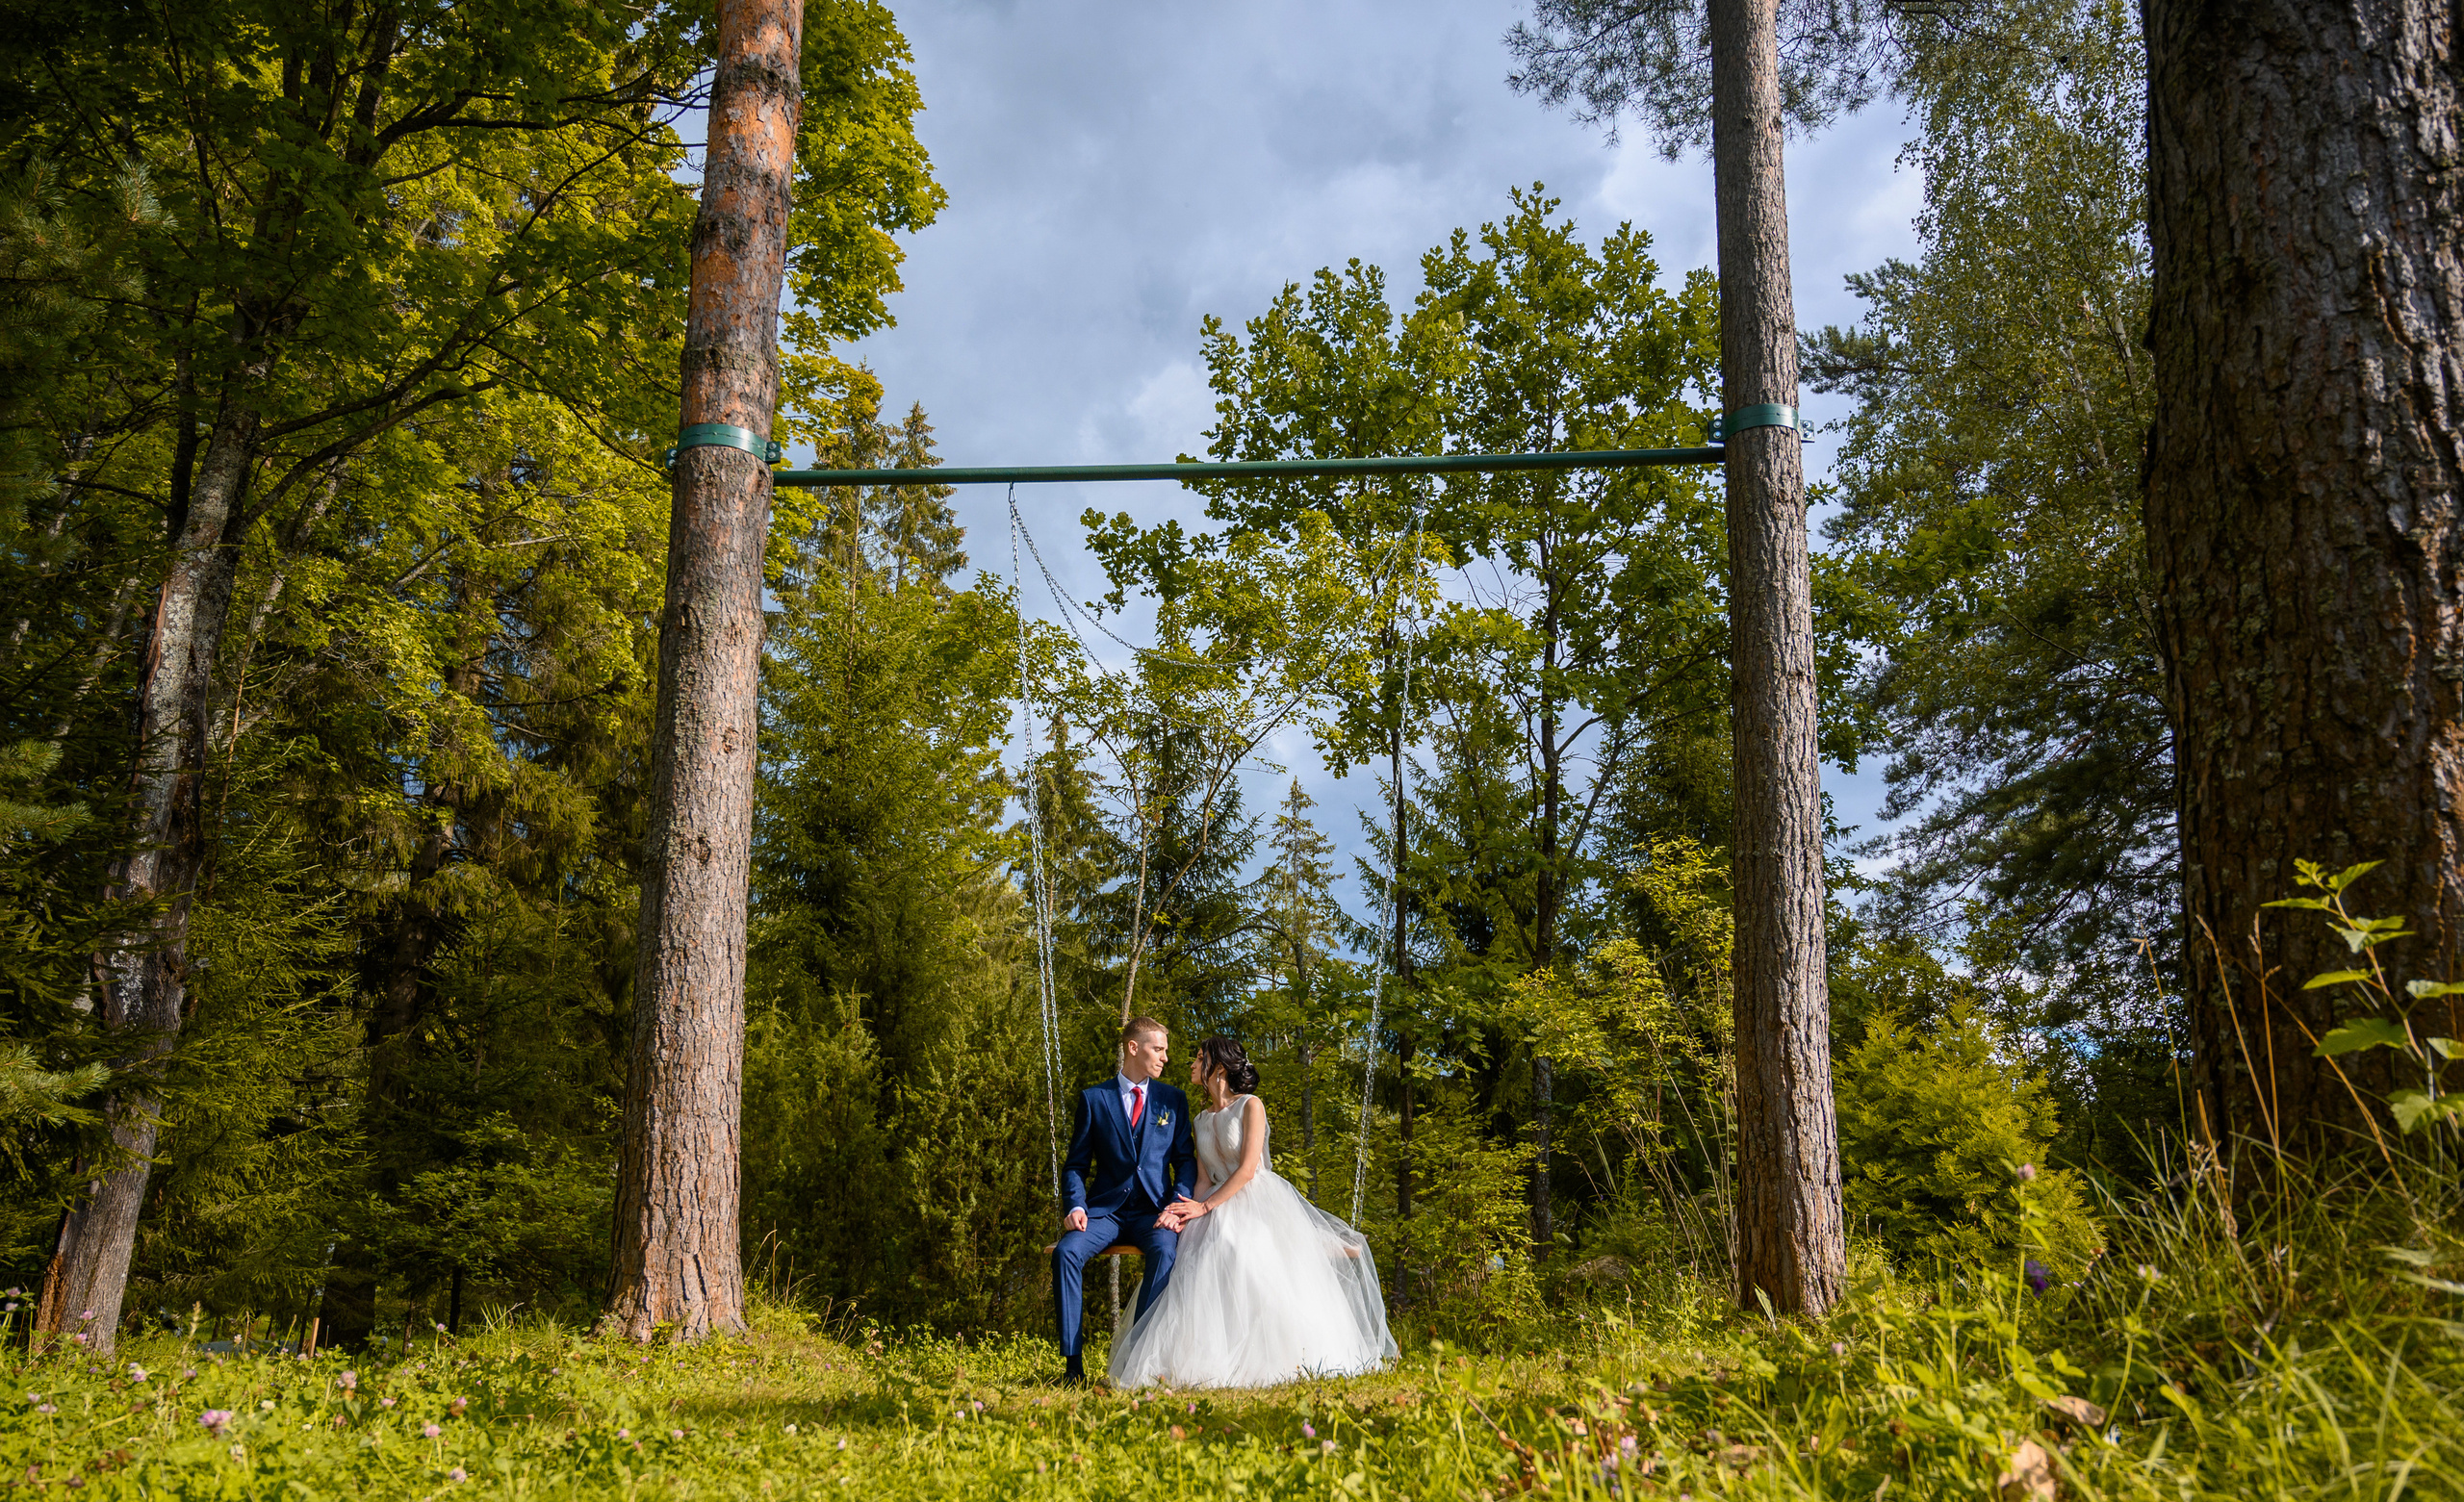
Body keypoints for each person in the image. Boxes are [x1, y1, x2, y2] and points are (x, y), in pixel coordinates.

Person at [1108, 1035, 1397, 1387]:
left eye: (1199, 1058)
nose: (1192, 1064)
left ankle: (1279, 1352)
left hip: (1254, 1197)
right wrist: (1188, 1213)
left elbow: (1247, 1169)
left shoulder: (1250, 1105)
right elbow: (1201, 1178)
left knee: (1240, 1251)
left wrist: (1206, 1205)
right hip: (1212, 1202)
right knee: (1193, 1263)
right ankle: (1198, 1358)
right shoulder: (1200, 1118)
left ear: (1217, 1066)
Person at [1052, 1016, 1197, 1384]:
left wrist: (1176, 1205)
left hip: (1154, 1212)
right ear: (1134, 1047)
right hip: (1106, 1213)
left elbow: (1184, 1161)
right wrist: (1075, 1205)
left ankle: (1134, 1355)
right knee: (1065, 1252)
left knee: (1165, 1253)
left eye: (1165, 1050)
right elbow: (1075, 1166)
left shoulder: (1173, 1100)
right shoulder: (1094, 1099)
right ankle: (1072, 1365)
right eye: (1158, 1049)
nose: (1165, 1057)